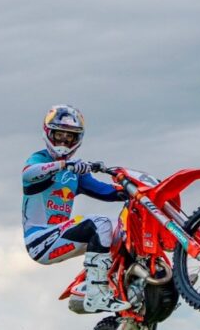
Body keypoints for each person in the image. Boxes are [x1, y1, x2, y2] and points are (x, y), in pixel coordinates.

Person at [22, 104, 126, 314]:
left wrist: (133, 189)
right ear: (49, 133)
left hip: (63, 236)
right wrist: (62, 165)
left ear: (77, 140)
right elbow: (28, 174)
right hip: (40, 240)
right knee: (99, 223)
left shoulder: (76, 174)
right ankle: (96, 294)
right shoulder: (40, 160)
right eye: (59, 135)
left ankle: (130, 283)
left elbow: (106, 191)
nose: (63, 142)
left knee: (123, 230)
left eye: (69, 137)